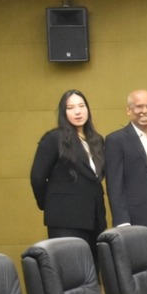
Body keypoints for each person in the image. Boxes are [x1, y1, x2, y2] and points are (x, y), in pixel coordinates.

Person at [30, 89, 106, 246]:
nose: (77, 112)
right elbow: (37, 177)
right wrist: (50, 203)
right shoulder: (54, 138)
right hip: (65, 217)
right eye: (70, 108)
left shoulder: (97, 140)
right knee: (70, 260)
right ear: (63, 113)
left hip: (94, 217)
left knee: (95, 260)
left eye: (81, 106)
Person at [104, 88, 147, 235]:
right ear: (128, 110)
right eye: (139, 106)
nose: (145, 111)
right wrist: (122, 221)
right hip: (136, 216)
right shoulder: (116, 140)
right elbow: (115, 184)